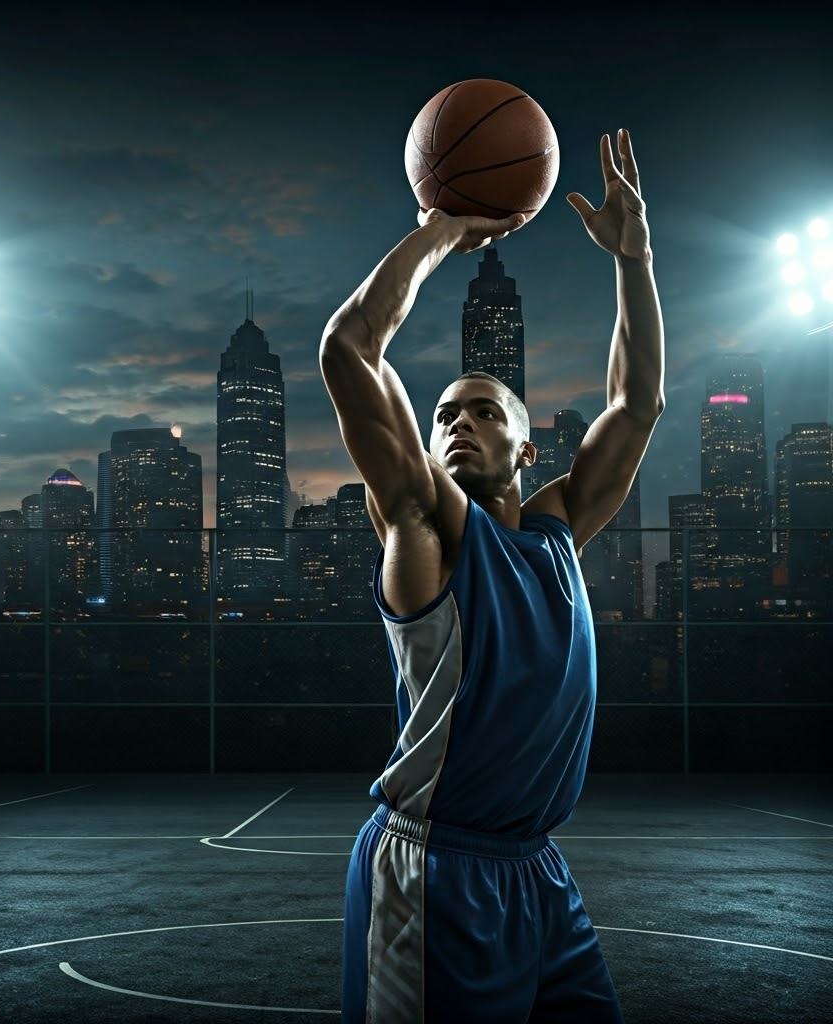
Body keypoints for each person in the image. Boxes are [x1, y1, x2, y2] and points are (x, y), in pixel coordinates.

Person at [319, 129, 664, 1023]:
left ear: (527, 444)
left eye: (483, 410)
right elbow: (349, 349)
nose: (457, 423)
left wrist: (634, 261)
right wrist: (441, 228)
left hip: (538, 869)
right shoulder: (425, 526)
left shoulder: (555, 535)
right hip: (435, 866)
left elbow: (636, 405)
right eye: (443, 415)